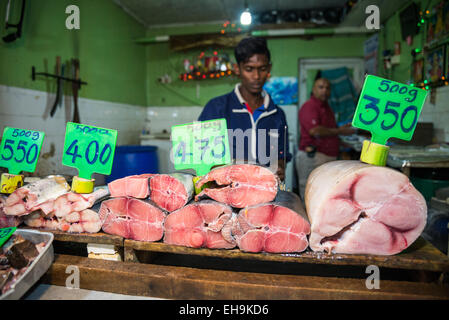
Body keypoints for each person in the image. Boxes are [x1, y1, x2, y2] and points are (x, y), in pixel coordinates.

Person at [198, 37, 291, 181]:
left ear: (269, 69)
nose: (256, 76)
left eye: (262, 69)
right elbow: (202, 158)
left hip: (264, 193)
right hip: (226, 195)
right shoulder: (216, 108)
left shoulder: (277, 114)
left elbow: (281, 156)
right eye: (249, 69)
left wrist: (279, 168)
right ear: (237, 69)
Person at [296, 77, 355, 199]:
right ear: (313, 89)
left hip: (327, 157)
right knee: (310, 193)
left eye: (327, 88)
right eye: (321, 87)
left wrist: (340, 129)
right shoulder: (309, 106)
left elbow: (329, 129)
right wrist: (340, 131)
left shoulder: (327, 107)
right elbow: (314, 130)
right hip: (313, 157)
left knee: (325, 194)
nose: (324, 91)